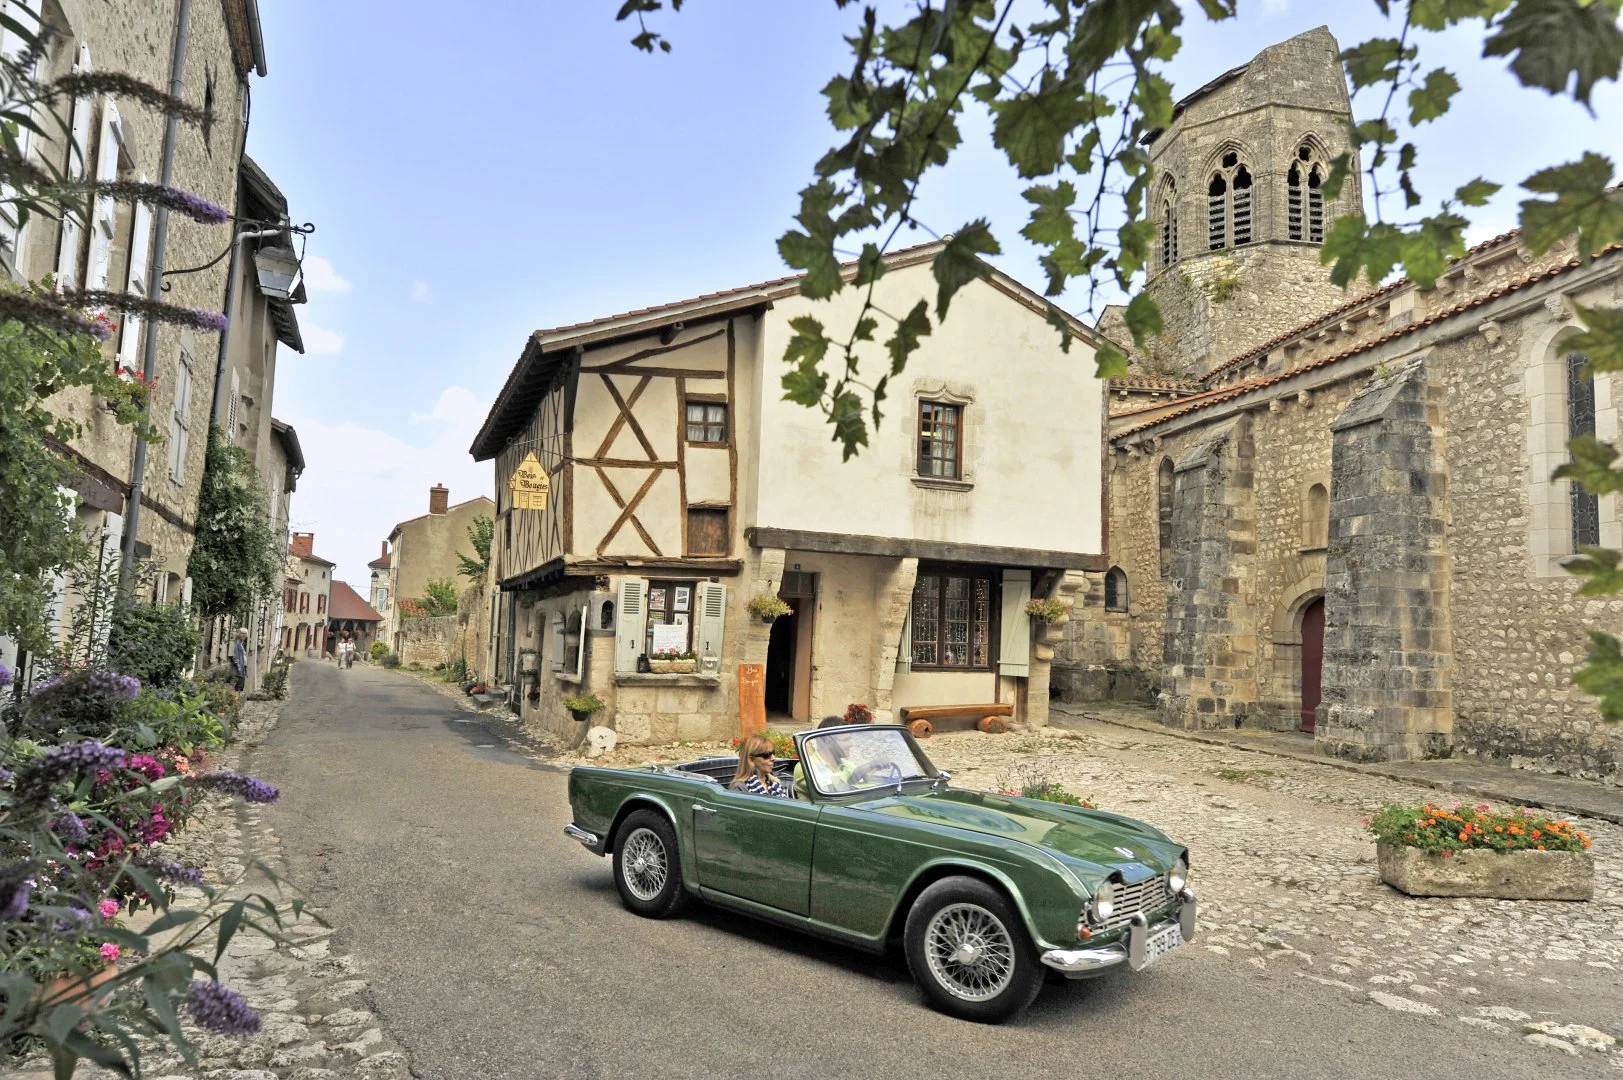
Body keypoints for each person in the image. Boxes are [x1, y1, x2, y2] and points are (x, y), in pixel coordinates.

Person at [730, 733, 790, 799]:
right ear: (751, 760)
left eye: (773, 753)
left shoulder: (775, 783)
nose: (773, 758)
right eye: (767, 755)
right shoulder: (739, 788)